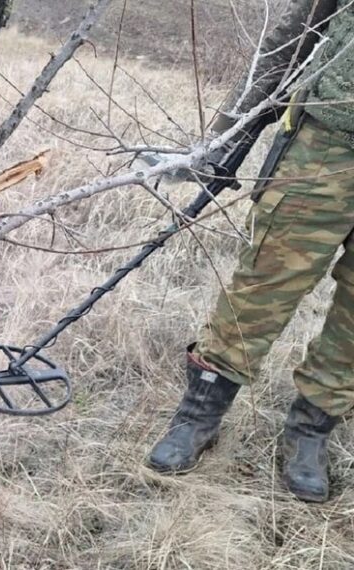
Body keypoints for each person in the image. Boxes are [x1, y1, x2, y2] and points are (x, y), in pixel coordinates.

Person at [147, 0, 353, 503]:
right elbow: (292, 33)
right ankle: (198, 415)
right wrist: (227, 133)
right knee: (265, 282)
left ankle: (311, 431)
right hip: (328, 144)